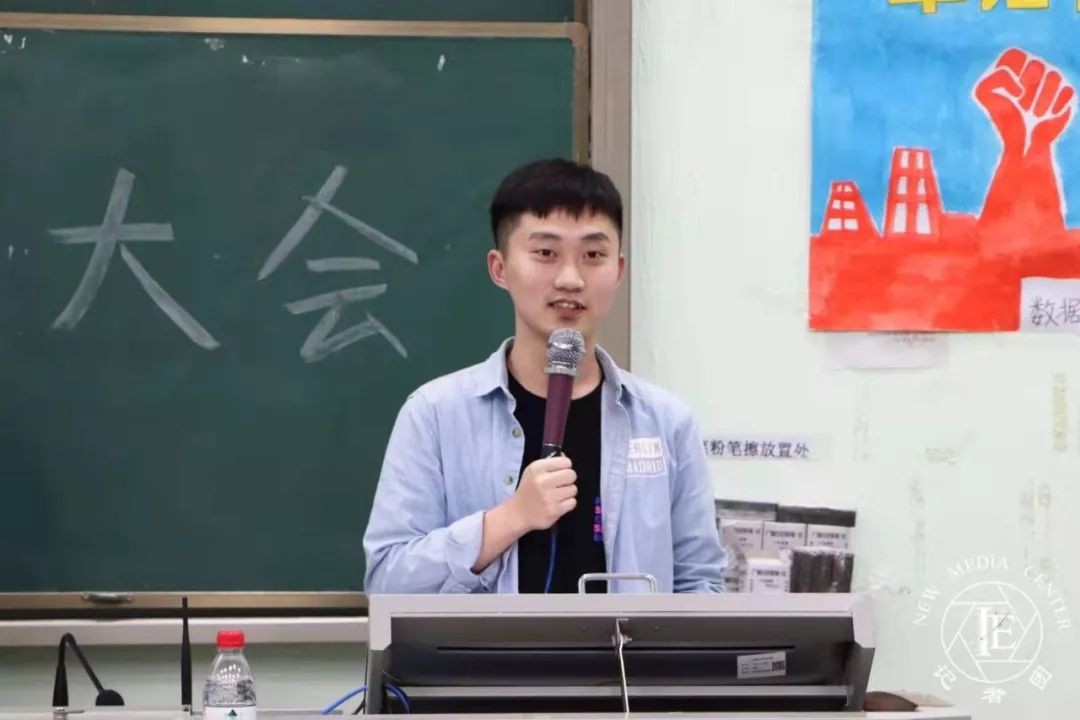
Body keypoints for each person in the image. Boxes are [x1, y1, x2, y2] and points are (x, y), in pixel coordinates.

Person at [363, 158, 726, 594]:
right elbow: (387, 581)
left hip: (624, 644)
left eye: (593, 255)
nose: (571, 279)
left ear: (618, 270)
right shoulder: (435, 415)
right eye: (546, 254)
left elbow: (701, 583)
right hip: (487, 644)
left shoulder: (666, 422)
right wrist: (509, 518)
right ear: (500, 268)